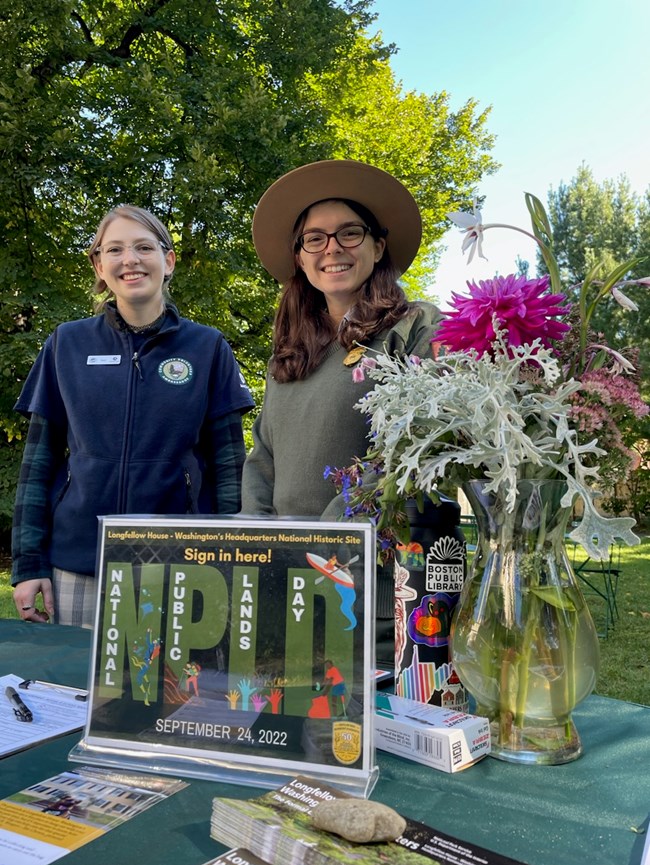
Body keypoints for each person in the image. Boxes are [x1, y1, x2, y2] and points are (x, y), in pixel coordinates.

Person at [11, 205, 254, 627]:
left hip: (182, 564)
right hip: (79, 563)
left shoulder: (208, 348)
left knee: (176, 691)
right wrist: (29, 563)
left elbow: (230, 468)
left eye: (144, 247)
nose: (130, 260)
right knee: (74, 691)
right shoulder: (66, 344)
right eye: (115, 249)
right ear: (98, 265)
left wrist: (231, 558)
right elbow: (37, 463)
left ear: (168, 260)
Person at [241, 159, 441, 665]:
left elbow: (419, 451)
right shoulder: (288, 355)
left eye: (350, 233)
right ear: (301, 259)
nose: (332, 248)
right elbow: (263, 459)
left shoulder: (416, 327)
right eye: (315, 238)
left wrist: (329, 544)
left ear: (378, 247)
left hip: (381, 591)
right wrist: (258, 549)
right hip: (289, 584)